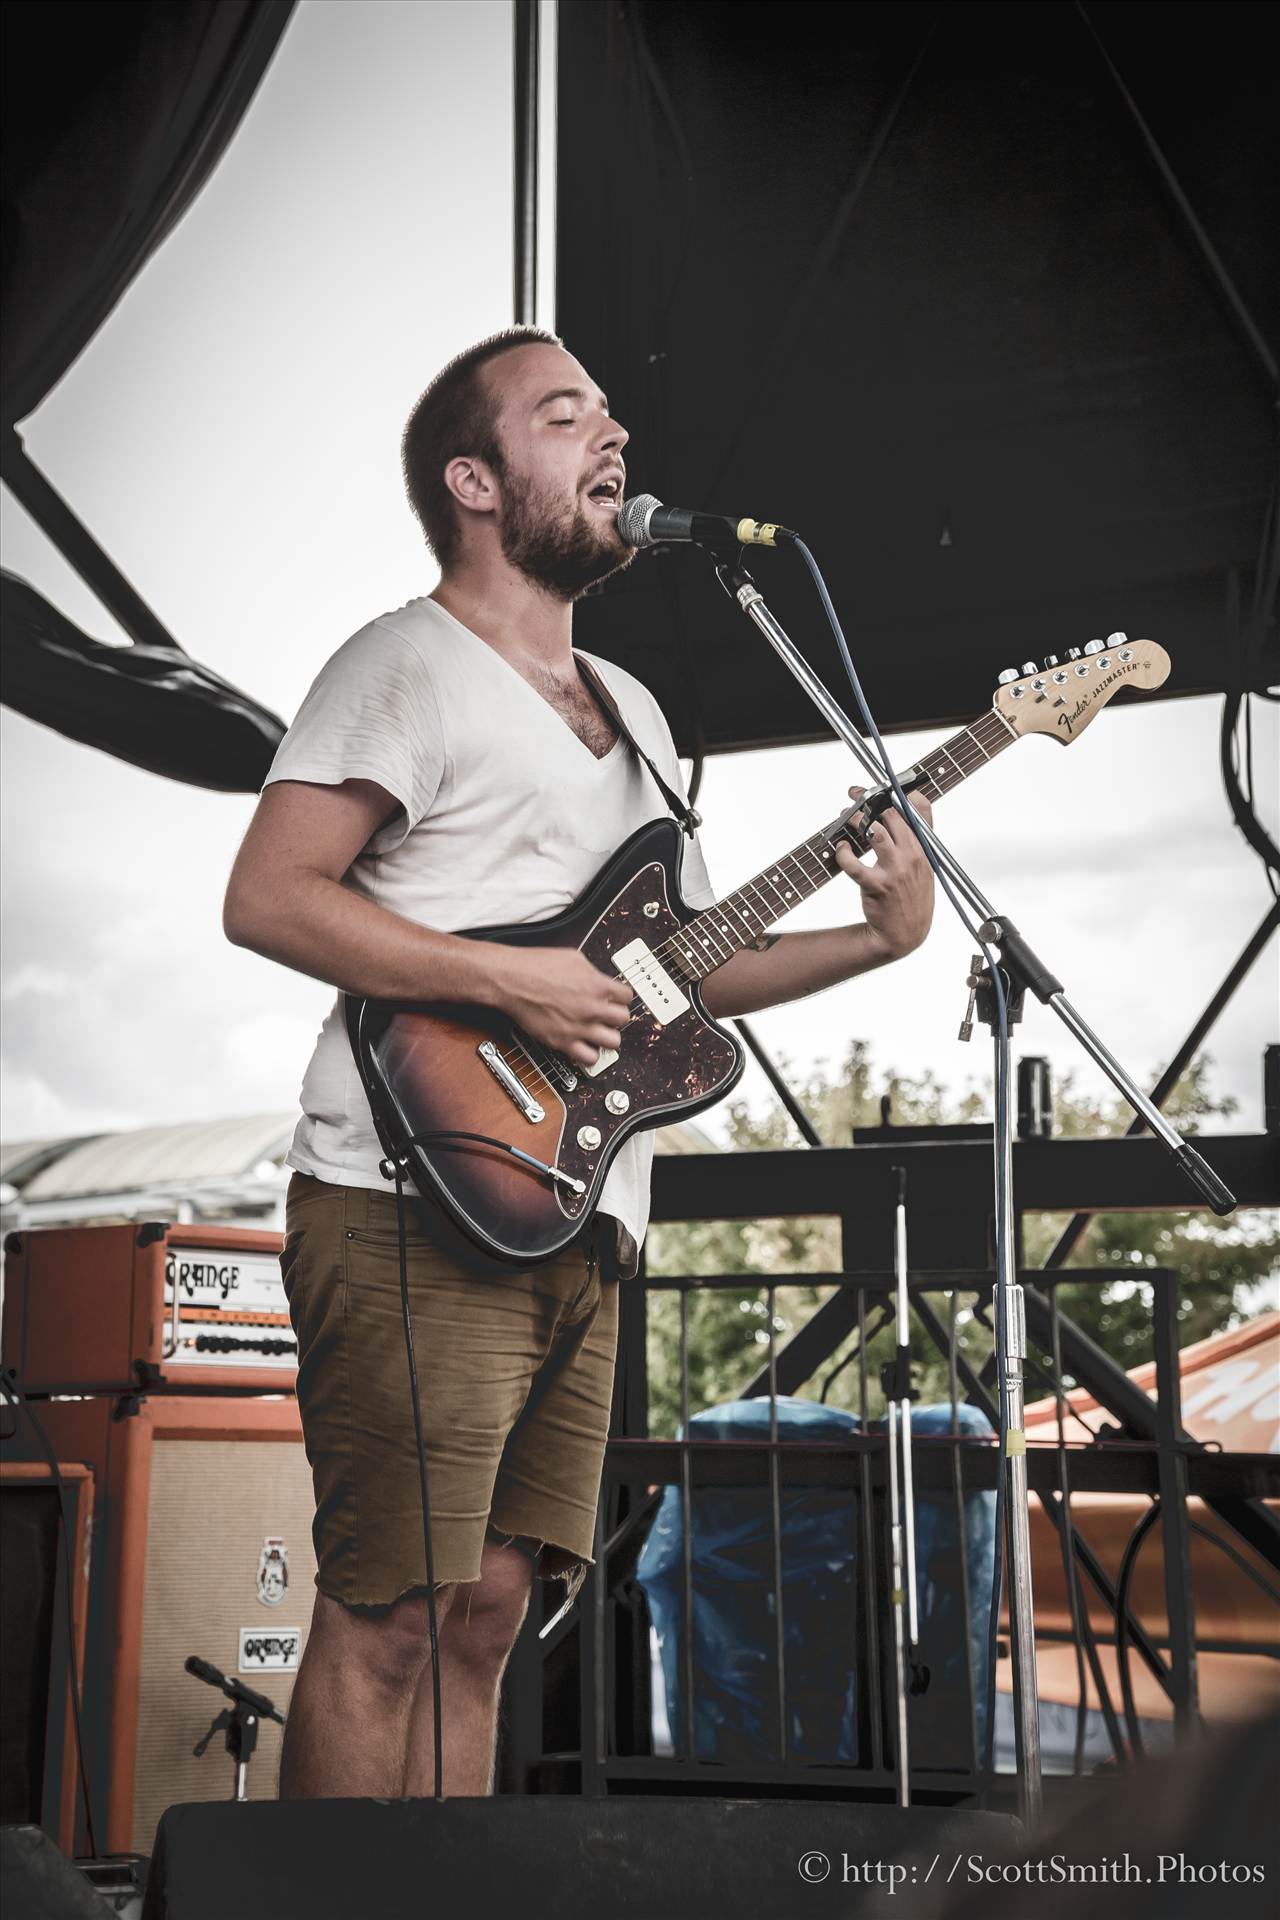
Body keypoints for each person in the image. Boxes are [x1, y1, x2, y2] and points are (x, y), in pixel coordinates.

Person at [222, 324, 934, 1800]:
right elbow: (270, 897)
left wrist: (880, 940)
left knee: (488, 1617)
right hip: (410, 1191)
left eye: (611, 414)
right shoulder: (401, 662)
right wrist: (511, 983)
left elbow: (675, 970)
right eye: (565, 416)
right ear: (474, 481)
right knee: (392, 1617)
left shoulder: (640, 713)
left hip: (581, 1206)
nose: (612, 438)